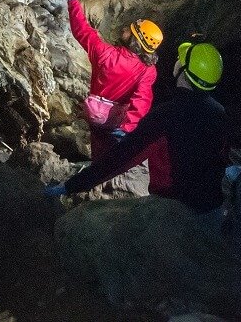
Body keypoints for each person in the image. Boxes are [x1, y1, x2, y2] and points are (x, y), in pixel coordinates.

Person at [45, 40, 227, 230]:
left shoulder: (167, 116)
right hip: (213, 211)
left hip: (175, 214)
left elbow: (121, 158)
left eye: (180, 61)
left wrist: (71, 186)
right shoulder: (219, 113)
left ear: (184, 72)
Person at [60, 0, 160, 160]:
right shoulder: (148, 71)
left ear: (134, 40)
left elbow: (82, 30)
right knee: (109, 154)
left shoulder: (106, 54)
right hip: (116, 120)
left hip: (94, 114)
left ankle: (95, 169)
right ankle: (102, 171)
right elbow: (142, 101)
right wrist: (128, 129)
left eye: (128, 30)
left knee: (98, 144)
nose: (124, 29)